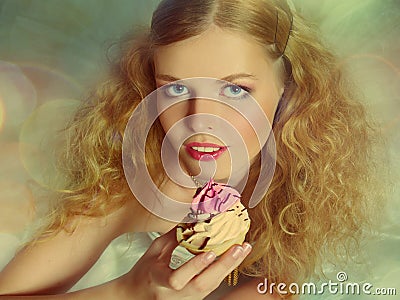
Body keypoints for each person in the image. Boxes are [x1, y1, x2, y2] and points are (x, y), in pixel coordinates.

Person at [0, 0, 383, 299]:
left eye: (235, 90)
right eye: (176, 89)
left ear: (288, 87)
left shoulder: (300, 193)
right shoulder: (123, 190)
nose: (200, 121)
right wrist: (126, 292)